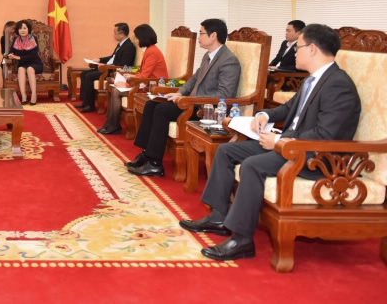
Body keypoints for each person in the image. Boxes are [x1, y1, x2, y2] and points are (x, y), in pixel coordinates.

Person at [179, 24, 361, 262]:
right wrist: (264, 115)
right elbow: (288, 108)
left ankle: (242, 240)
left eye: (298, 47)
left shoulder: (338, 84)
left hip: (315, 158)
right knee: (226, 151)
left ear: (313, 49)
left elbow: (326, 135)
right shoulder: (314, 79)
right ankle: (219, 217)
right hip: (291, 147)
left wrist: (280, 141)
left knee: (252, 165)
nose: (294, 52)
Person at [128, 18, 241, 178]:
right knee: (153, 103)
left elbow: (224, 94)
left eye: (201, 33)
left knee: (162, 110)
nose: (199, 37)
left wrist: (191, 98)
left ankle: (155, 164)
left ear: (213, 35)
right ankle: (147, 154)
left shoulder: (228, 61)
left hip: (208, 110)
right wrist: (180, 93)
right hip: (193, 103)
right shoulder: (208, 56)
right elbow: (194, 79)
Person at [98, 24, 168, 135]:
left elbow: (144, 76)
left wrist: (129, 81)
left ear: (143, 37)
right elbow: (143, 73)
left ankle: (114, 125)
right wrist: (130, 76)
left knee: (116, 91)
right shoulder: (149, 50)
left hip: (153, 87)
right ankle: (110, 124)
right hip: (147, 83)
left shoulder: (152, 52)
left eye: (136, 38)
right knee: (114, 88)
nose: (135, 40)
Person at [75, 23, 137, 113]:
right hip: (108, 68)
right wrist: (100, 60)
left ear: (122, 34)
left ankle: (90, 106)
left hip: (114, 71)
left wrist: (106, 66)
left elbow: (123, 65)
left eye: (115, 33)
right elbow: (112, 57)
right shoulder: (121, 44)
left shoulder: (129, 47)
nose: (114, 35)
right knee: (84, 74)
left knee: (89, 76)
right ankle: (86, 102)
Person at [6, 20, 44, 105]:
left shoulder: (33, 39)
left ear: (28, 29)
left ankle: (34, 95)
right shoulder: (16, 39)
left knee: (30, 69)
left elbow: (33, 55)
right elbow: (11, 52)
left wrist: (17, 57)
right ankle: (24, 96)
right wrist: (10, 55)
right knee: (20, 69)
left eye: (24, 28)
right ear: (17, 30)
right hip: (23, 64)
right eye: (20, 28)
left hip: (35, 63)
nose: (22, 30)